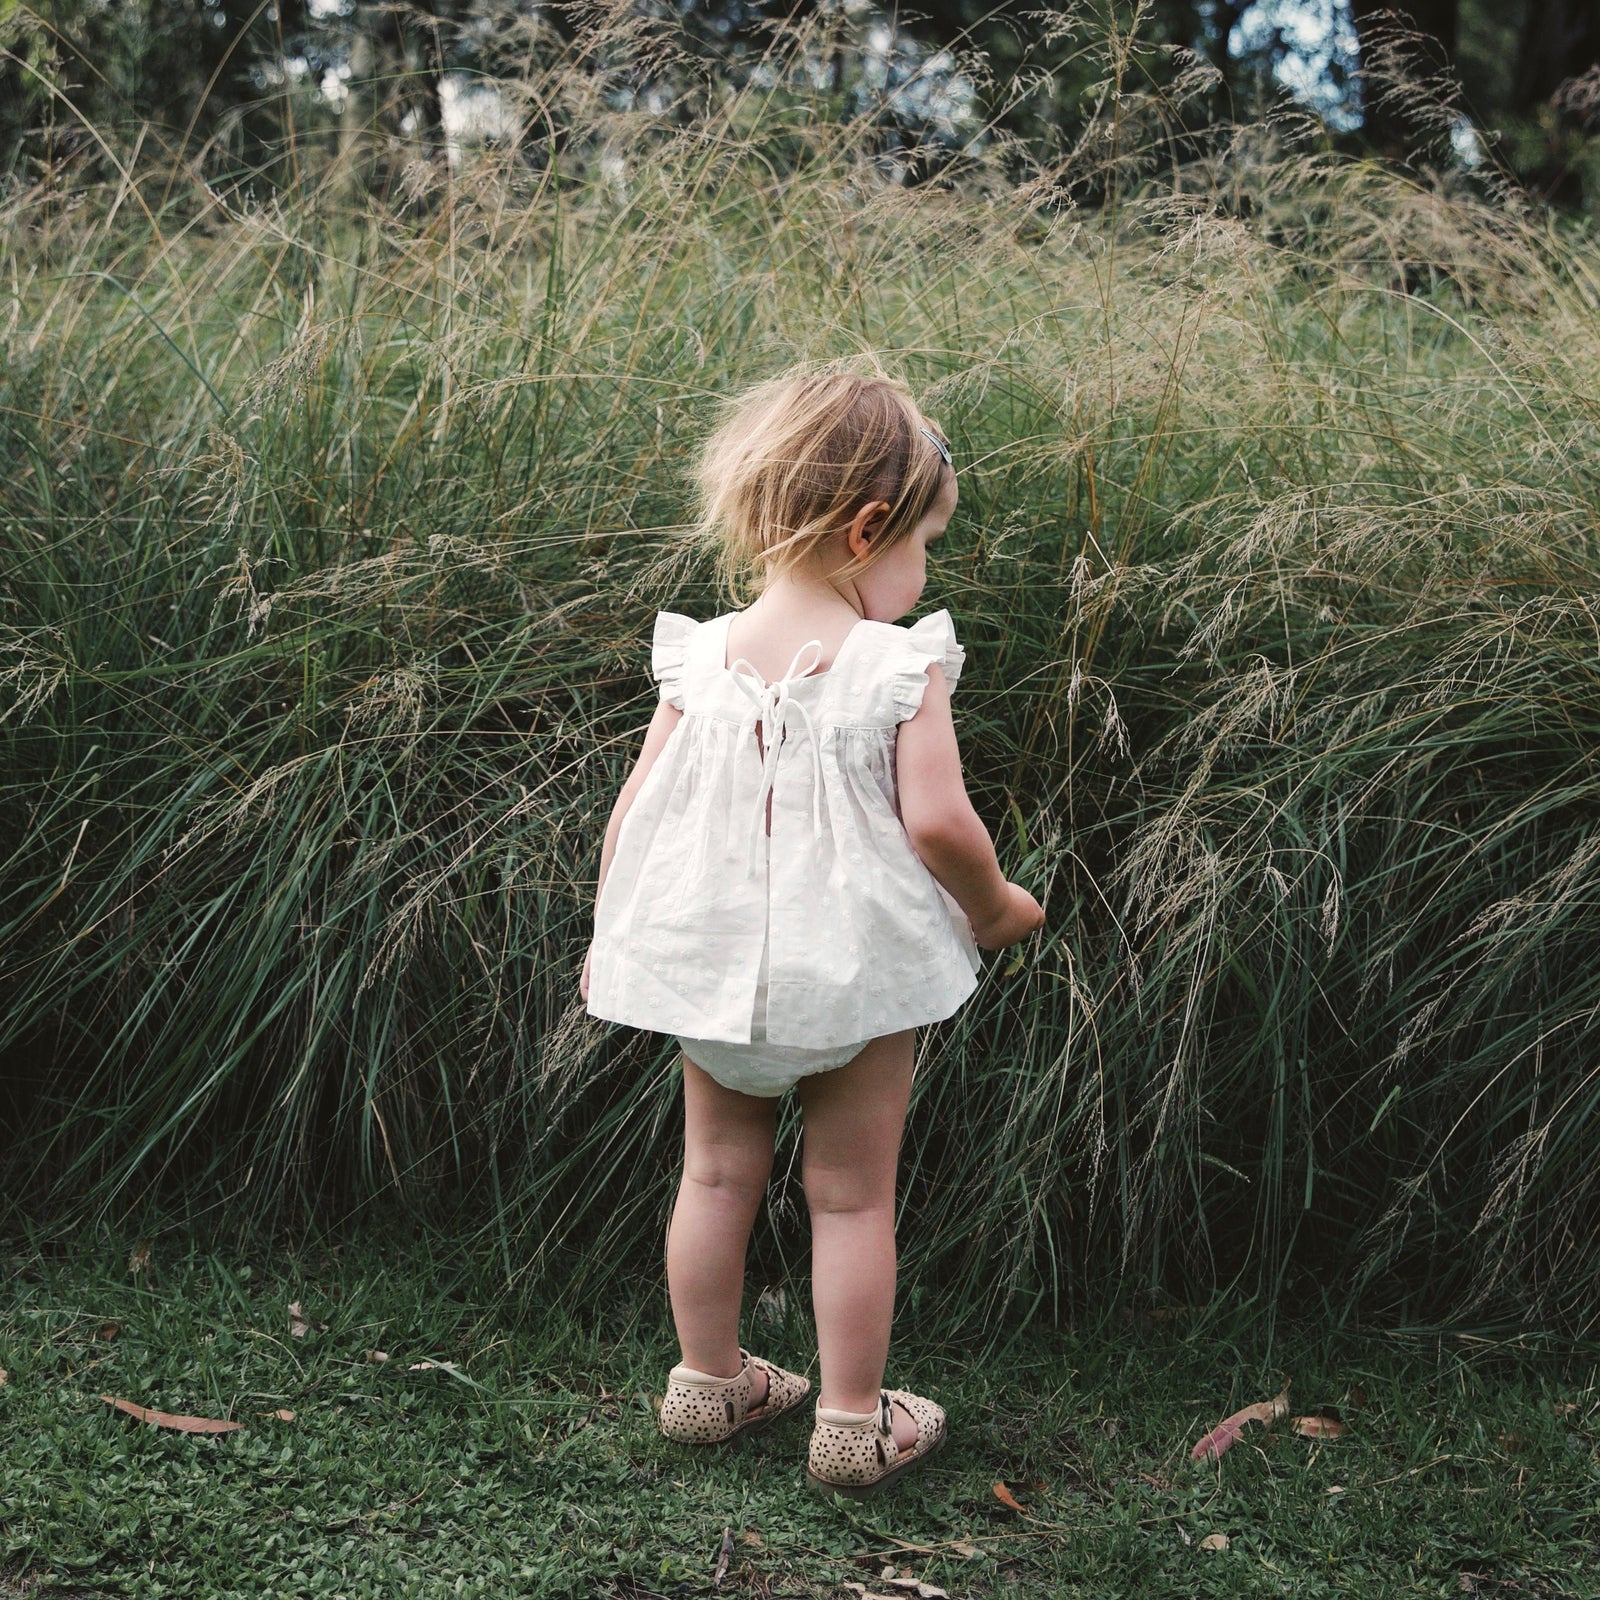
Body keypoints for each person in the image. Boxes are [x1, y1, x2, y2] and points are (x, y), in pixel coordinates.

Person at [582, 367, 1045, 1498]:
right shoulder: (898, 663)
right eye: (924, 544)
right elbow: (938, 820)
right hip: (853, 978)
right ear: (866, 527)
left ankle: (706, 1381)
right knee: (848, 1194)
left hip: (708, 977)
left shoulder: (702, 654)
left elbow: (633, 811)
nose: (924, 572)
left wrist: (617, 933)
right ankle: (848, 1420)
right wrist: (995, 908)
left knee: (716, 1172)